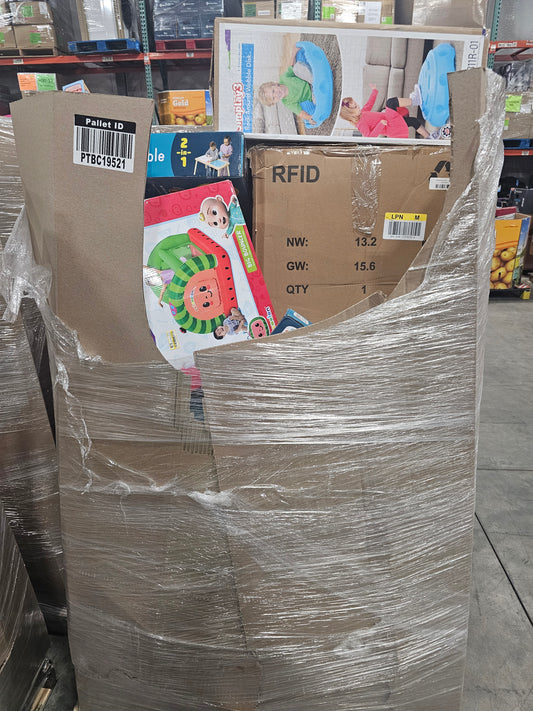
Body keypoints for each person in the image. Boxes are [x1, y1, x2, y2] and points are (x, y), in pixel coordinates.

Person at [340, 84, 438, 139]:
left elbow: (369, 104)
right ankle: (416, 100)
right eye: (355, 107)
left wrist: (374, 91)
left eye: (356, 104)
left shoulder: (362, 113)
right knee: (391, 103)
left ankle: (430, 137)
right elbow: (369, 136)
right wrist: (380, 125)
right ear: (351, 115)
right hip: (390, 125)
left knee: (413, 121)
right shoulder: (361, 124)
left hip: (390, 120)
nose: (358, 107)